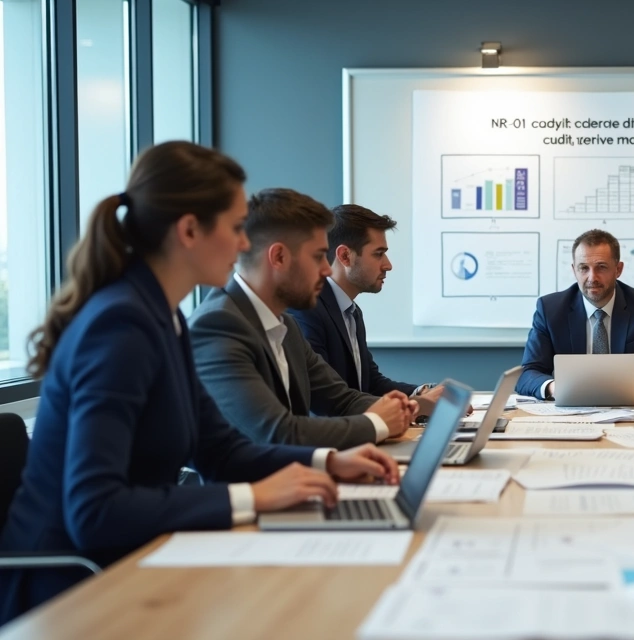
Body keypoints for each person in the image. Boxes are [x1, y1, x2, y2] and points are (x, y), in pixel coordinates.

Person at [0, 142, 398, 623]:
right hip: (73, 593)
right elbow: (95, 510)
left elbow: (221, 450)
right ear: (189, 230)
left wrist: (330, 462)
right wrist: (255, 496)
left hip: (135, 562)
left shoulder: (163, 318)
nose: (242, 243)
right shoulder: (120, 326)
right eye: (234, 228)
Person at [189, 188, 416, 449]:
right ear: (279, 257)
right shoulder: (217, 326)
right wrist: (378, 422)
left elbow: (341, 400)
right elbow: (278, 433)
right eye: (318, 256)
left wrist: (401, 408)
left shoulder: (286, 326)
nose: (326, 269)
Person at [287, 204, 444, 415]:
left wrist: (422, 392)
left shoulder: (351, 311)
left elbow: (370, 383)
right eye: (379, 254)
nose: (388, 265)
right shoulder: (308, 311)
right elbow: (327, 400)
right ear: (344, 256)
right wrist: (414, 406)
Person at [517, 229, 634, 400]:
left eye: (601, 267)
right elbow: (528, 373)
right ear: (574, 270)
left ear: (618, 269)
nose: (592, 277)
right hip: (570, 409)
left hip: (629, 410)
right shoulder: (550, 309)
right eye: (584, 268)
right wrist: (554, 388)